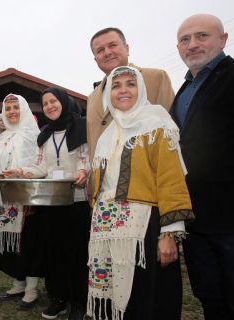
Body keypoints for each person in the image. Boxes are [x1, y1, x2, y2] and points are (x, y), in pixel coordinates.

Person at [87, 66, 194, 320]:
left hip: (145, 229)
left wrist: (169, 233)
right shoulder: (107, 135)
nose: (123, 90)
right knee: (111, 292)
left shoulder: (157, 123)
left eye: (130, 84)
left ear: (142, 89)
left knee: (146, 296)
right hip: (107, 228)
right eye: (116, 85)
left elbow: (171, 179)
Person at [3, 88, 89, 320]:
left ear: (63, 102)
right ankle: (58, 298)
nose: (50, 106)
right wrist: (20, 171)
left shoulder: (81, 126)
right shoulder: (45, 133)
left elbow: (86, 156)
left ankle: (79, 302)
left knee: (77, 254)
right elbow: (40, 166)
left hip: (77, 200)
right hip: (51, 204)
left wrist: (83, 171)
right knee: (54, 253)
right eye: (46, 103)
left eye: (54, 101)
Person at [171, 14, 234, 320]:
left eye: (201, 36)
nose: (193, 45)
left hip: (229, 218)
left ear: (223, 39)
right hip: (196, 218)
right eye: (185, 39)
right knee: (210, 297)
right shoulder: (184, 90)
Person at [87, 27, 175, 162]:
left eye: (113, 45)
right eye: (100, 50)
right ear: (96, 59)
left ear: (127, 48)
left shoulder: (155, 78)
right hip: (102, 180)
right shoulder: (92, 98)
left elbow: (171, 132)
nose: (107, 52)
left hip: (147, 177)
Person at [0, 94, 42, 310]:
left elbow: (39, 167)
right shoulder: (4, 136)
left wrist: (30, 198)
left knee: (28, 243)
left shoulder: (34, 135)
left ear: (24, 109)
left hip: (26, 198)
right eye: (8, 108)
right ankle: (18, 283)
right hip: (4, 197)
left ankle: (32, 289)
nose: (11, 112)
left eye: (15, 107)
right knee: (12, 245)